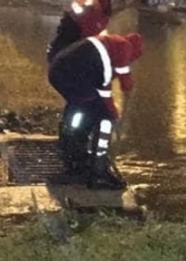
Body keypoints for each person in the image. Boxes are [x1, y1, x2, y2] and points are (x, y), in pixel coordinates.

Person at [48, 31, 144, 190]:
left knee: (81, 110)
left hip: (59, 72)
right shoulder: (124, 47)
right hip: (72, 76)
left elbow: (102, 86)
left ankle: (73, 156)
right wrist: (116, 115)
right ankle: (99, 172)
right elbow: (123, 82)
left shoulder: (108, 45)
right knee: (105, 118)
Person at [46, 0, 130, 64]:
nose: (118, 11)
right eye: (119, 7)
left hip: (79, 43)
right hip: (72, 35)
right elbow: (73, 15)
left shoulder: (104, 17)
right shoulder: (91, 2)